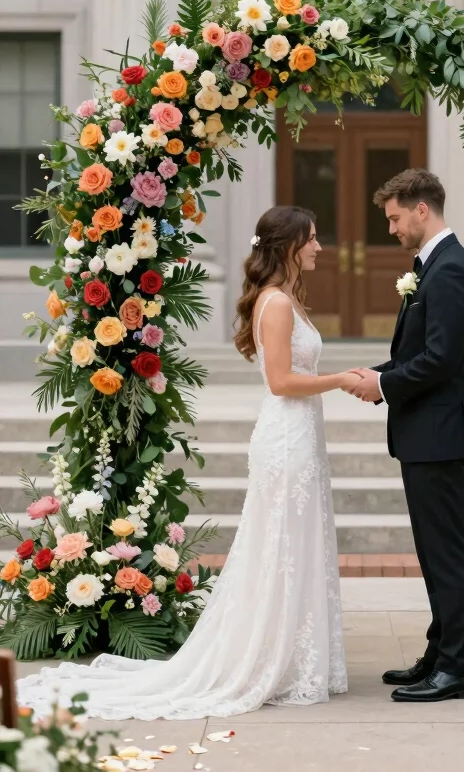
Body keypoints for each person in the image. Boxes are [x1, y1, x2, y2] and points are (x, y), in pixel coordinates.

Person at [17, 205, 359, 720]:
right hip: (287, 434)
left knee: (296, 540)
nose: (318, 247)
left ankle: (295, 655)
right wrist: (339, 379)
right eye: (311, 239)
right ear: (289, 246)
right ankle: (272, 658)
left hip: (301, 434)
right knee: (281, 544)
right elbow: (282, 382)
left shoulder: (288, 298)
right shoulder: (278, 304)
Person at [347, 169, 464, 703]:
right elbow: (418, 354)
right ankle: (439, 652)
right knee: (434, 551)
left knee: (446, 552)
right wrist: (378, 373)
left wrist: (383, 385)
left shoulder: (450, 270)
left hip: (439, 432)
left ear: (421, 209)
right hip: (426, 430)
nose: (392, 228)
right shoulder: (431, 266)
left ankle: (457, 671)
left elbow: (441, 360)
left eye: (395, 217)